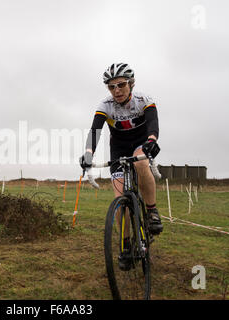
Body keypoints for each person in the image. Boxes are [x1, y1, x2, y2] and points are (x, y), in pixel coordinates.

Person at [79, 63, 163, 268]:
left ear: (131, 84)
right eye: (111, 87)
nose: (116, 90)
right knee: (119, 202)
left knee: (141, 162)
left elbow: (153, 124)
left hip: (141, 144)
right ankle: (126, 246)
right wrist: (88, 154)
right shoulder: (105, 105)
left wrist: (152, 140)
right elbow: (95, 131)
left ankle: (151, 211)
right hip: (118, 148)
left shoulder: (144, 100)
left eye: (121, 85)